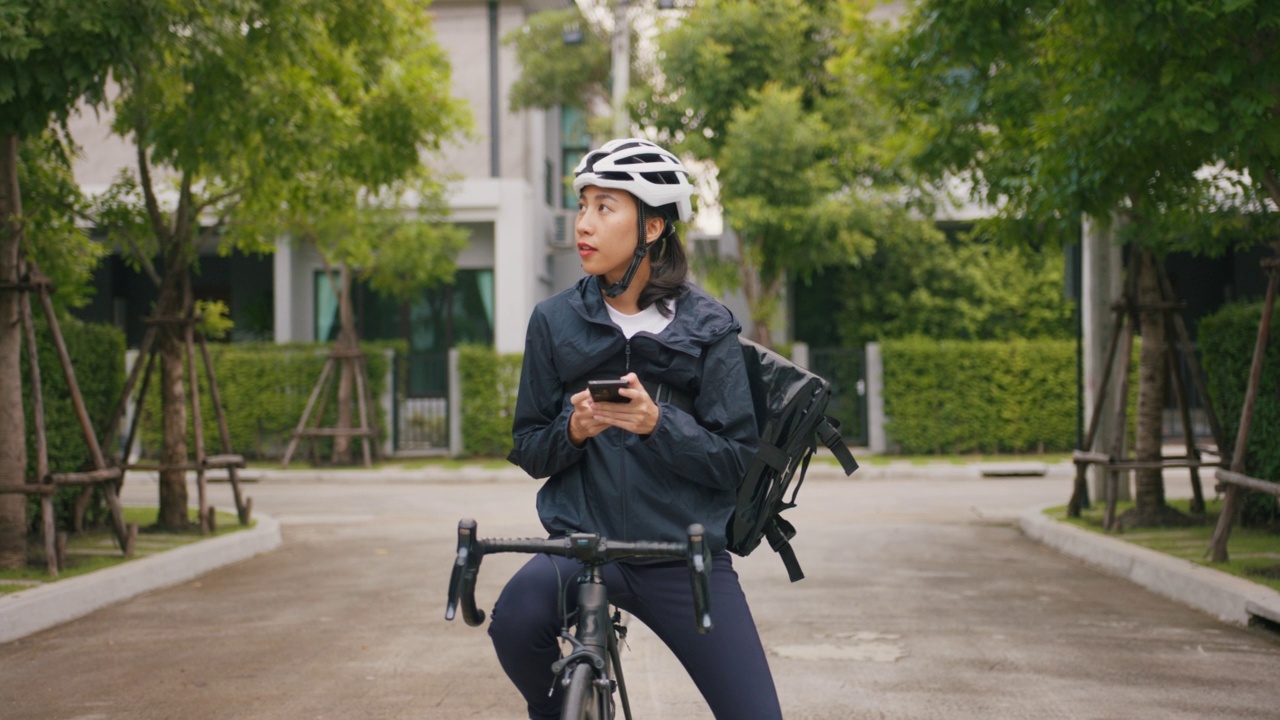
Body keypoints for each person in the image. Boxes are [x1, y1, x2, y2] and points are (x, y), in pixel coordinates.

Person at [490, 138, 784, 720]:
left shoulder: (710, 327)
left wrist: (658, 424)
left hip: (681, 553)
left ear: (651, 228)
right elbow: (528, 446)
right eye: (582, 206)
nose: (584, 225)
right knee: (513, 624)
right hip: (583, 546)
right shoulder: (553, 321)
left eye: (605, 207)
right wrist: (572, 430)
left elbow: (735, 461)